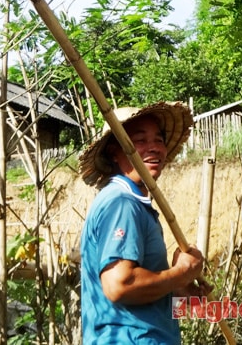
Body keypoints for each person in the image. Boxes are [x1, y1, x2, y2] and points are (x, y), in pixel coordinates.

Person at [79, 103, 212, 344]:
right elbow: (120, 285)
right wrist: (181, 273)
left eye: (158, 140)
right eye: (139, 141)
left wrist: (177, 288)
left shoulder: (134, 203)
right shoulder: (121, 204)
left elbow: (138, 292)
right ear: (114, 152)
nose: (153, 148)